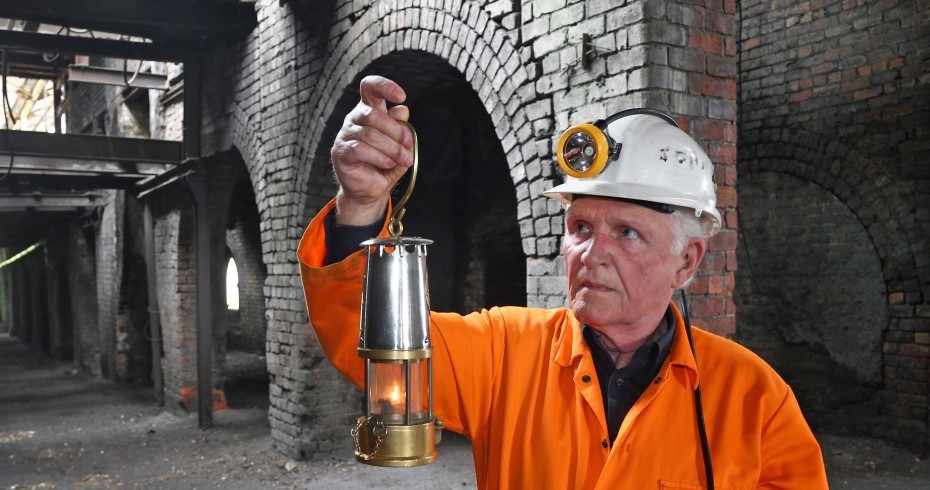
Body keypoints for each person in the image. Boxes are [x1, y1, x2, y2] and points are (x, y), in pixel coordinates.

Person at [298, 75, 828, 489]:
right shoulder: (505, 351)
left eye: (627, 233)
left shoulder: (754, 398)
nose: (592, 254)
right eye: (580, 227)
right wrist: (363, 207)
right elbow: (367, 344)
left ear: (686, 262)